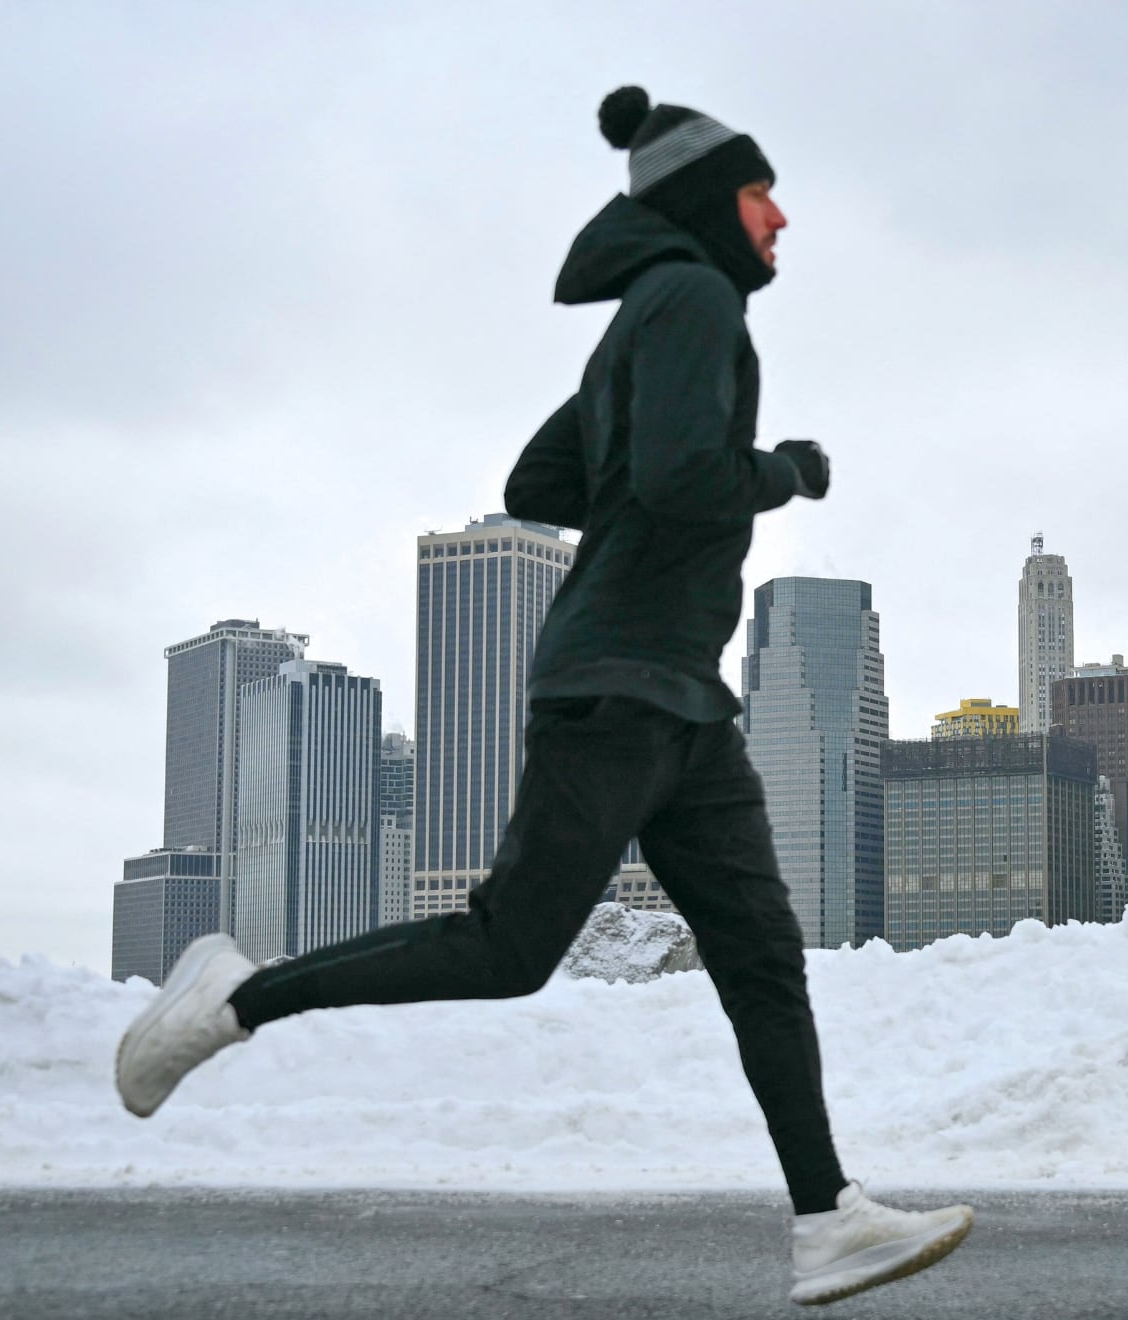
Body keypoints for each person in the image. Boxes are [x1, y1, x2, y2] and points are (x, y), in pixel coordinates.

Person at [113, 85, 973, 1308]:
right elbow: (680, 478)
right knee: (511, 947)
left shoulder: (641, 324)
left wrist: (643, 491)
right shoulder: (692, 297)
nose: (780, 216)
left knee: (762, 959)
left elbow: (540, 477)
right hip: (617, 688)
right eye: (758, 191)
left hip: (681, 699)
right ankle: (234, 1000)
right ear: (705, 204)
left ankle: (829, 1218)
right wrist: (780, 470)